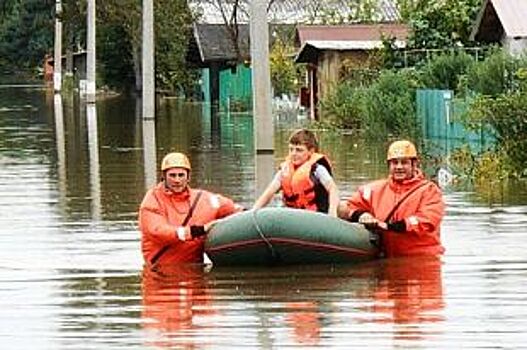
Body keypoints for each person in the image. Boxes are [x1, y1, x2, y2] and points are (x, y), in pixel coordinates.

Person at [139, 152, 242, 268]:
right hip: (160, 273)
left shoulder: (205, 199)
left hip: (195, 270)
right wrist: (199, 230)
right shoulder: (152, 200)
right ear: (164, 177)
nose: (177, 180)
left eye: (181, 175)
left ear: (188, 177)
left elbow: (235, 210)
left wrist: (251, 215)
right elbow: (158, 232)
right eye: (172, 175)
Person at [343, 140, 445, 257]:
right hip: (387, 258)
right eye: (395, 163)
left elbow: (427, 220)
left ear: (414, 164)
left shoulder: (429, 191)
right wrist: (360, 215)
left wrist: (389, 227)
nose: (399, 167)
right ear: (389, 165)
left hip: (423, 260)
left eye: (404, 162)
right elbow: (344, 208)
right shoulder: (373, 190)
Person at [253, 129, 339, 217]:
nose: (293, 154)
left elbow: (333, 189)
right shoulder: (285, 171)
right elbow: (269, 192)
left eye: (299, 150)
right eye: (291, 149)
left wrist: (332, 211)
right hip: (291, 216)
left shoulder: (318, 169)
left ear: (311, 151)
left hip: (316, 216)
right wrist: (254, 211)